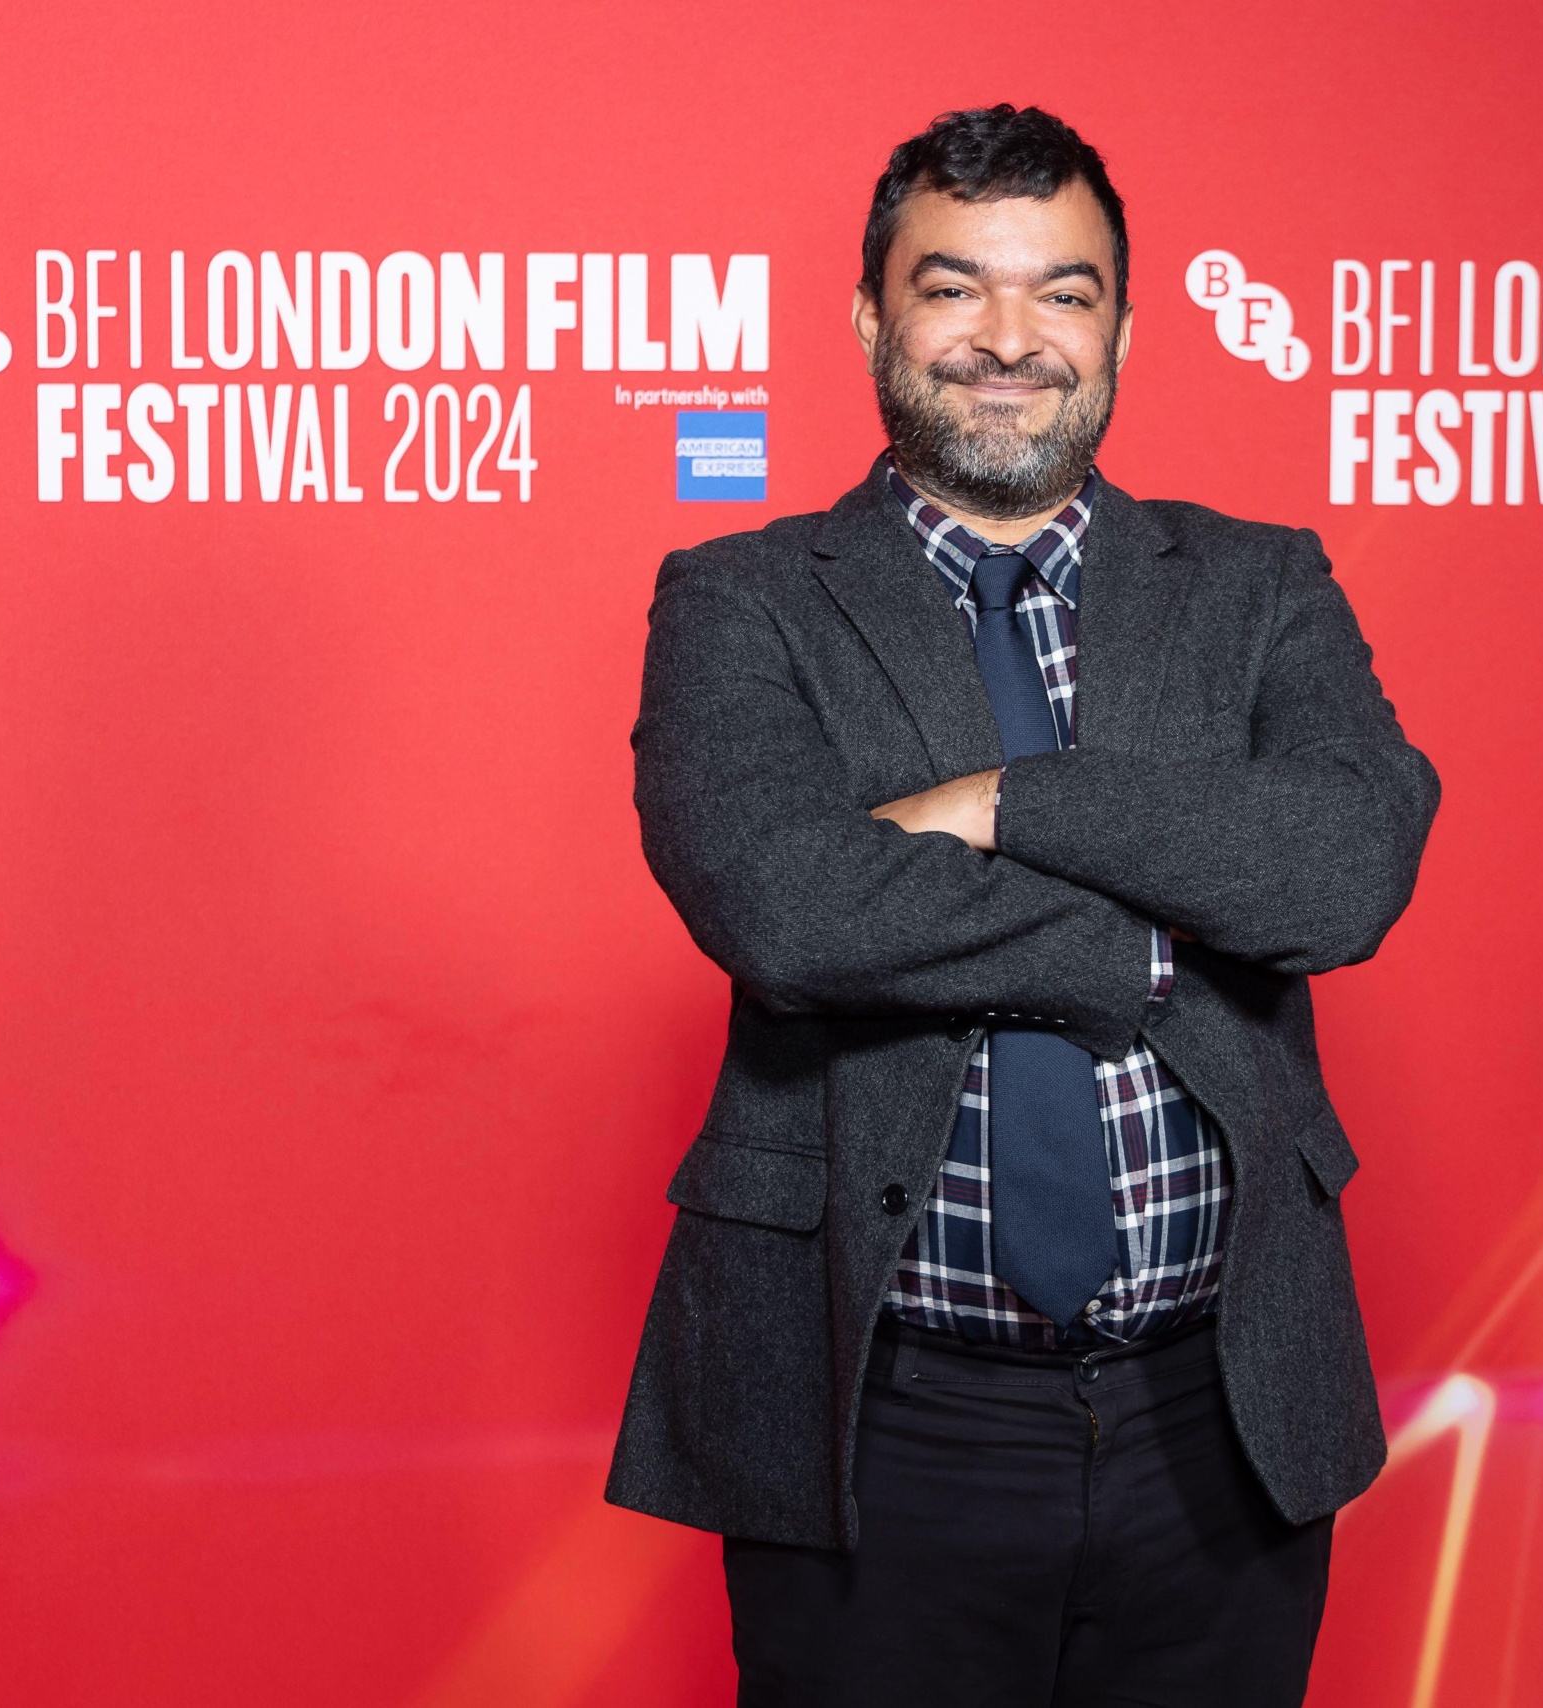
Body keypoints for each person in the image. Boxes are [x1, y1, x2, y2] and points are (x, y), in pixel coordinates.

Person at [607, 104, 1440, 1706]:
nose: (1010, 341)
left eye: (1063, 292)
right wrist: (1149, 938)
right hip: (882, 1412)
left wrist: (1006, 805)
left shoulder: (1263, 585)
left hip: (1223, 1414)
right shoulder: (741, 603)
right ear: (870, 316)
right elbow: (788, 905)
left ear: (1122, 324)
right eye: (954, 287)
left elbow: (1343, 867)